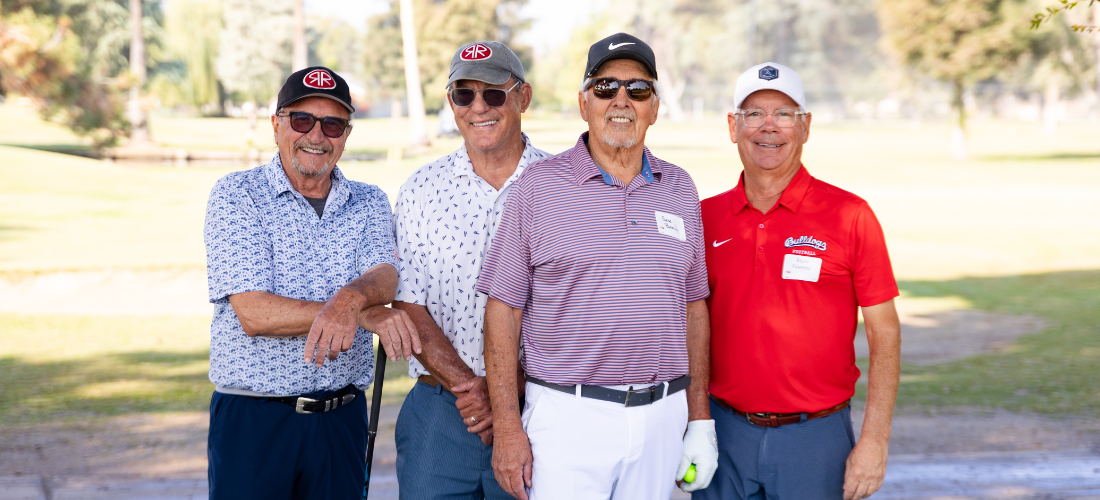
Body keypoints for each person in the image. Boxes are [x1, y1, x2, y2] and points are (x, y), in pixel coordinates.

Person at [476, 33, 719, 500]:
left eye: (638, 89)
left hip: (662, 417)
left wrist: (699, 418)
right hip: (568, 418)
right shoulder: (538, 188)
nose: (622, 101)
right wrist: (507, 427)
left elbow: (693, 308)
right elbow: (503, 310)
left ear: (655, 106)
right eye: (606, 88)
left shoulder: (680, 188)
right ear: (584, 102)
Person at [203, 66, 421, 500]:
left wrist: (350, 299)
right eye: (302, 120)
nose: (316, 136)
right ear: (276, 125)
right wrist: (363, 314)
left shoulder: (370, 200)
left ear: (346, 133)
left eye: (332, 124)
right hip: (255, 419)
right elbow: (254, 311)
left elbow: (384, 274)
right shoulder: (236, 195)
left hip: (342, 420)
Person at [695, 62, 902, 500]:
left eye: (784, 113)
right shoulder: (704, 218)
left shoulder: (851, 215)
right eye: (753, 113)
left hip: (816, 440)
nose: (768, 127)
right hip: (724, 433)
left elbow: (885, 333)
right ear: (733, 126)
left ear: (805, 127)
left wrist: (875, 440)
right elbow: (687, 326)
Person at [391, 40, 552, 499]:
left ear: (523, 97)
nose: (478, 107)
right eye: (464, 95)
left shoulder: (561, 185)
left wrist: (504, 396)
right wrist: (475, 393)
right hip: (444, 412)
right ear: (450, 103)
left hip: (537, 406)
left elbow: (578, 310)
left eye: (494, 94)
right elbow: (408, 303)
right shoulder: (421, 189)